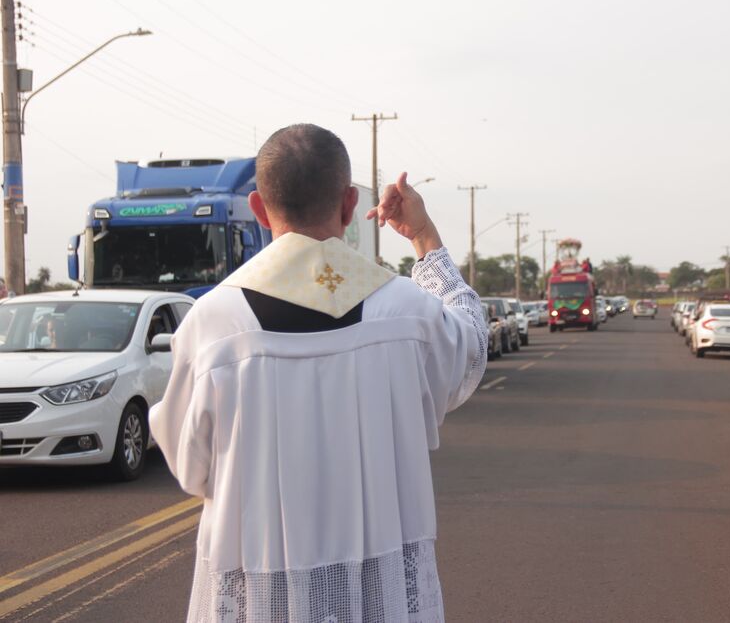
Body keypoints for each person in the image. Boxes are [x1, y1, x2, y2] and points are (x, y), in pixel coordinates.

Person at [150, 124, 487, 622]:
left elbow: (190, 467)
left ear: (259, 209)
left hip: (264, 594)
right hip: (380, 592)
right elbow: (472, 348)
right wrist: (423, 235)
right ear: (350, 206)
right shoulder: (405, 313)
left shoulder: (213, 325)